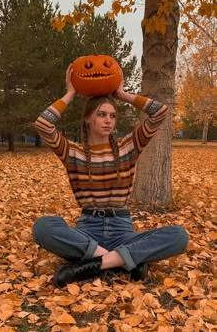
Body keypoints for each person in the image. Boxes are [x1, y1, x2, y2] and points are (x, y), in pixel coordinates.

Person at [33, 65, 188, 287]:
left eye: (113, 116)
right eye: (102, 115)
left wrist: (122, 94)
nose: (108, 120)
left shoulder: (129, 147)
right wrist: (70, 94)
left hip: (122, 230)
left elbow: (160, 112)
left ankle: (91, 265)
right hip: (88, 232)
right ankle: (122, 260)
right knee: (43, 227)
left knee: (179, 236)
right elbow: (43, 124)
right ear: (88, 119)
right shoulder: (72, 152)